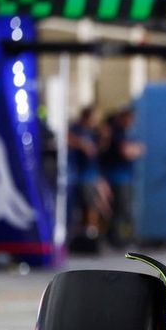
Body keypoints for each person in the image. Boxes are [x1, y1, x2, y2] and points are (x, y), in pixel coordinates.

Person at [100, 106, 144, 247]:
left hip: (126, 177)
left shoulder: (128, 133)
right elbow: (126, 152)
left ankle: (121, 238)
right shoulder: (118, 133)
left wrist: (135, 149)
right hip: (117, 178)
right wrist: (134, 149)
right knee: (120, 209)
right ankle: (116, 240)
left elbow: (139, 149)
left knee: (125, 209)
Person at [66, 106, 107, 249]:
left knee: (92, 204)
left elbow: (98, 151)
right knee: (87, 205)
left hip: (92, 175)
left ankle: (91, 232)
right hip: (80, 175)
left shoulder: (93, 132)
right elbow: (66, 137)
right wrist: (81, 144)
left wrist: (103, 138)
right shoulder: (77, 130)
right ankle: (85, 232)